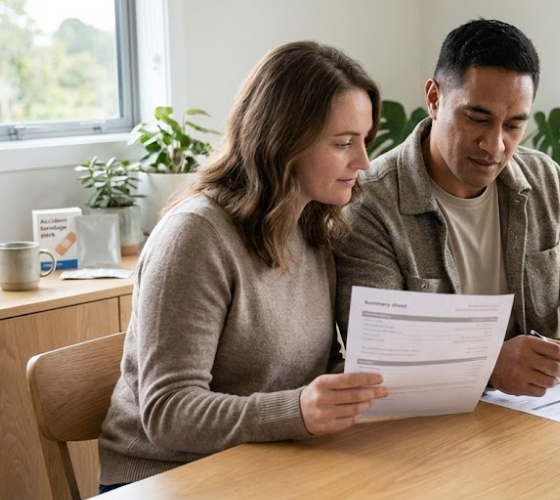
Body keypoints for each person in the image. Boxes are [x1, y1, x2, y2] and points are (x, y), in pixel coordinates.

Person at [98, 41, 388, 491]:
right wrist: (296, 411)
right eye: (344, 143)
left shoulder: (312, 224)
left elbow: (313, 369)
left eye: (365, 141)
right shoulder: (194, 238)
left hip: (269, 463)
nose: (363, 162)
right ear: (284, 141)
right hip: (165, 479)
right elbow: (168, 412)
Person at [335, 19, 560, 398]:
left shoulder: (543, 178)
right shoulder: (370, 204)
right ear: (434, 98)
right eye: (477, 119)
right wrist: (487, 365)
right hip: (428, 430)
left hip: (537, 415)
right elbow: (378, 353)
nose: (495, 145)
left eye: (514, 125)